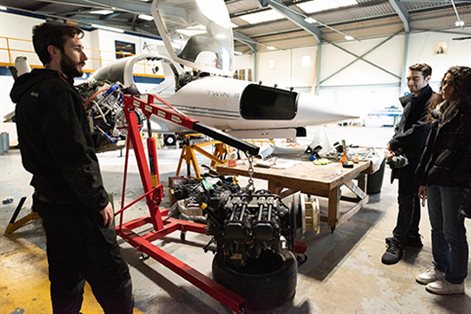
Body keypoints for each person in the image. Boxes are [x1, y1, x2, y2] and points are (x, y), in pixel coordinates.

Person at [10, 21, 134, 313]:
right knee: (115, 282)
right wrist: (99, 199)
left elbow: (48, 149)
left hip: (49, 204)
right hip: (78, 209)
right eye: (77, 48)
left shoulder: (29, 92)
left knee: (65, 279)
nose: (84, 56)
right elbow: (73, 155)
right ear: (54, 51)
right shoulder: (58, 92)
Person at [415, 66, 471, 295]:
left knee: (453, 231)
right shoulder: (441, 112)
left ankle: (456, 280)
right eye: (444, 82)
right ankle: (440, 266)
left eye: (450, 83)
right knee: (437, 228)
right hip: (436, 178)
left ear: (463, 87)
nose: (444, 88)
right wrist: (424, 178)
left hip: (454, 183)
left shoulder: (467, 114)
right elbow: (431, 148)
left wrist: (459, 179)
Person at [382, 63, 441, 265]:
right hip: (409, 158)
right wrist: (394, 143)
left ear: (427, 78)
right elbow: (402, 126)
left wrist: (395, 142)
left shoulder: (432, 100)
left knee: (406, 200)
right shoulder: (413, 99)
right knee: (410, 198)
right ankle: (412, 236)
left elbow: (421, 129)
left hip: (418, 160)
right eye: (409, 78)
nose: (411, 82)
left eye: (415, 78)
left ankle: (398, 241)